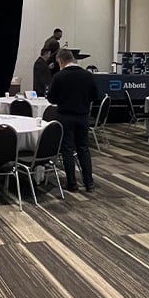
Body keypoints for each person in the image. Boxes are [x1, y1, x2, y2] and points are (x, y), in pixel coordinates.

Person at [46, 48, 99, 192]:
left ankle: (72, 183)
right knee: (84, 149)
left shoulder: (59, 76)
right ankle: (89, 182)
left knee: (67, 149)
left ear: (60, 61)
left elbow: (51, 99)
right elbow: (95, 96)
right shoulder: (88, 75)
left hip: (65, 117)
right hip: (83, 116)